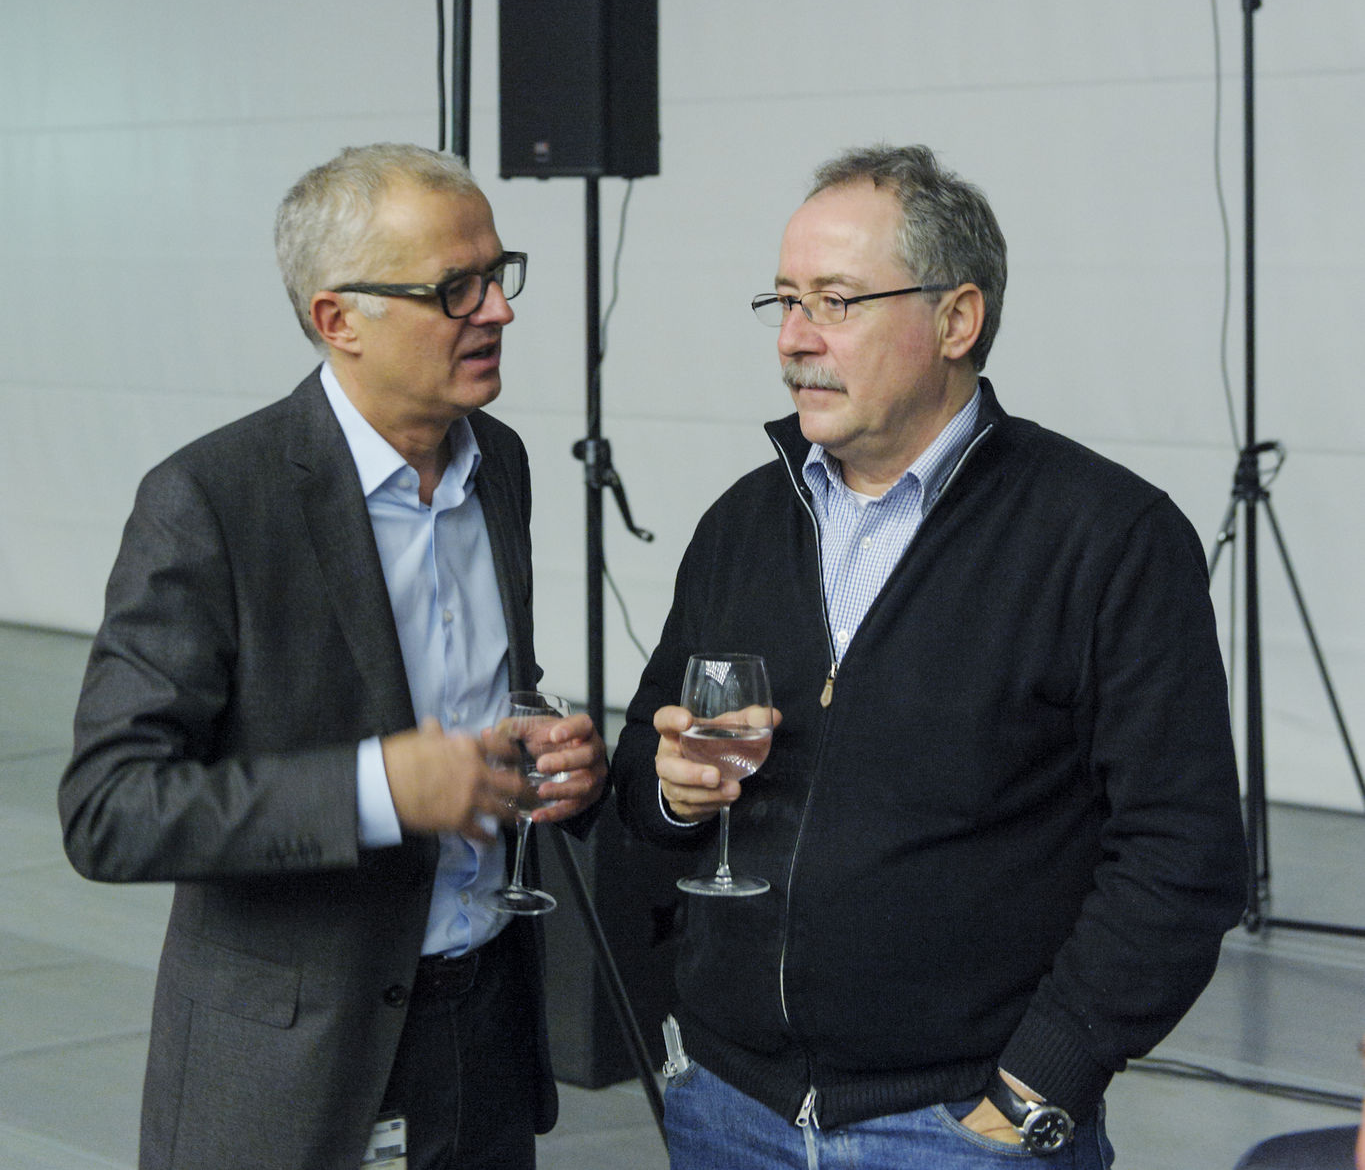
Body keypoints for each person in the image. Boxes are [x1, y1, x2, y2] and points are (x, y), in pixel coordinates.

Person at [615, 144, 1247, 1167]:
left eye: (835, 300)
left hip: (959, 1128)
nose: (793, 340)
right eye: (782, 301)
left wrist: (1039, 1083)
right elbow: (641, 782)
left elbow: (1184, 852)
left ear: (959, 319)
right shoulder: (741, 522)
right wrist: (675, 790)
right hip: (728, 1109)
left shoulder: (1106, 536)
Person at [60, 143, 606, 1170]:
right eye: (457, 287)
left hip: (484, 1030)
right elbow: (109, 809)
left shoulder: (503, 468)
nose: (499, 309)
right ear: (338, 318)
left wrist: (547, 748)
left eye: (500, 273)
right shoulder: (212, 502)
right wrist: (376, 786)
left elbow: (484, 690)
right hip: (295, 1075)